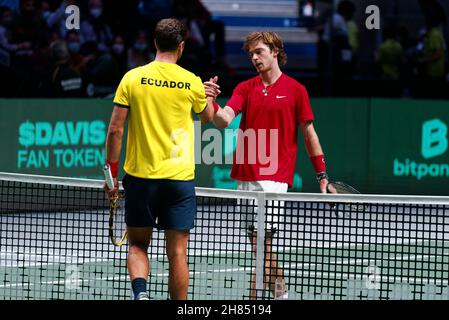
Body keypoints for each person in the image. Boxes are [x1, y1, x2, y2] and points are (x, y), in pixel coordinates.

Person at [204, 31, 329, 299]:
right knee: (259, 245)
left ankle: (253, 302)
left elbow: (309, 134)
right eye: (251, 54)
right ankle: (281, 294)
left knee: (262, 245)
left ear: (275, 51)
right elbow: (223, 120)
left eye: (259, 51)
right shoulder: (245, 88)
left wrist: (321, 173)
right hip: (245, 175)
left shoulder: (296, 90)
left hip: (274, 176)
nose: (254, 57)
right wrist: (210, 101)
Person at [103, 18, 216, 300]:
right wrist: (209, 94)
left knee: (138, 244)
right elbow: (209, 117)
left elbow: (116, 129)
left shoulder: (132, 78)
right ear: (181, 46)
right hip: (178, 182)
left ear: (155, 43)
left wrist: (111, 176)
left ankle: (141, 295)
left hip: (140, 180)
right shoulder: (191, 82)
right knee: (178, 254)